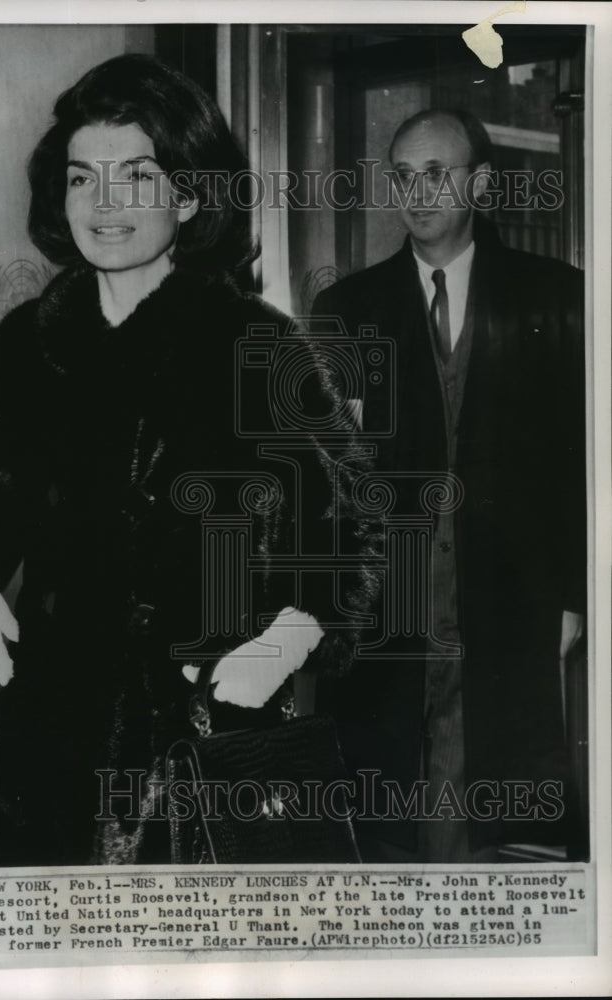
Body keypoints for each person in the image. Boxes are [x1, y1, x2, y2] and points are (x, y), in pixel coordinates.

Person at [0, 53, 378, 866]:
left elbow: (348, 522)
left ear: (187, 192)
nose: (104, 205)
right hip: (52, 727)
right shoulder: (29, 346)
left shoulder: (255, 342)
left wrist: (285, 638)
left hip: (210, 725)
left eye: (136, 176)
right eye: (81, 178)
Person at [314, 109, 586, 862]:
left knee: (498, 789)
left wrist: (571, 595)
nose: (417, 191)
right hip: (390, 594)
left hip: (510, 588)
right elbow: (326, 476)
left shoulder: (556, 297)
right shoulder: (348, 310)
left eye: (437, 172)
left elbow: (581, 466)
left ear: (480, 183)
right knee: (390, 781)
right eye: (402, 175)